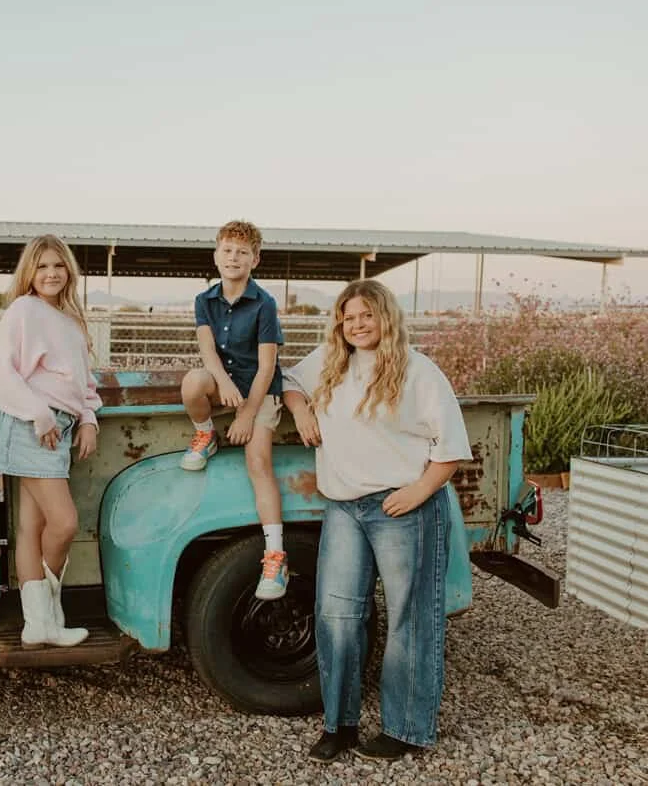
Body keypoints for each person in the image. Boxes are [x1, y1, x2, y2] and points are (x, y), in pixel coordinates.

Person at [281, 279, 471, 763]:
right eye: (348, 317)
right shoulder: (330, 363)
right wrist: (302, 411)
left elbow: (450, 449)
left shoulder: (419, 371)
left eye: (366, 315)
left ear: (386, 316)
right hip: (344, 505)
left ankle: (407, 728)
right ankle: (339, 724)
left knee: (411, 616)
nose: (357, 325)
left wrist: (418, 492)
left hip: (402, 506)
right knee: (337, 616)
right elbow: (288, 381)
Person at [0, 234, 100, 648]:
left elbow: (84, 382)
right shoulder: (23, 309)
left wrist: (88, 419)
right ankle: (48, 615)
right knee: (64, 523)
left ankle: (38, 625)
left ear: (68, 270)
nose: (51, 273)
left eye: (58, 265)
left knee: (31, 528)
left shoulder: (70, 320)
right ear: (29, 273)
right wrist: (39, 413)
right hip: (30, 425)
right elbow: (1, 371)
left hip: (57, 428)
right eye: (42, 266)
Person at [178, 220, 288, 600]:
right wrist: (222, 383)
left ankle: (275, 556)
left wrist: (247, 413)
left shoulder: (265, 304)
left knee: (258, 463)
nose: (233, 258)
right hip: (224, 383)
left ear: (255, 259)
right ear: (215, 255)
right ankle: (205, 433)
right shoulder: (204, 300)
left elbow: (268, 366)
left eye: (242, 252)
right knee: (193, 383)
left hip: (259, 388)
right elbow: (207, 351)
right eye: (227, 250)